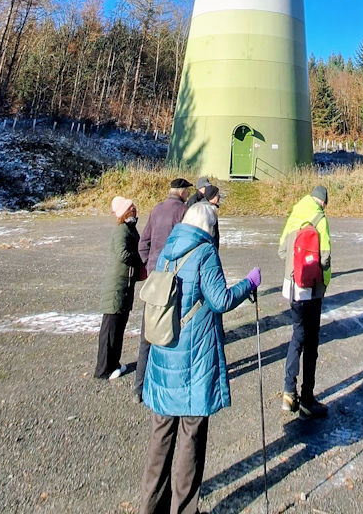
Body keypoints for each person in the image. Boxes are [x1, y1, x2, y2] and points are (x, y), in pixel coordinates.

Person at [140, 201, 260, 514]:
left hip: (164, 355)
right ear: (210, 227)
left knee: (160, 438)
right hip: (194, 361)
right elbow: (219, 300)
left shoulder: (168, 250)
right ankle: (183, 509)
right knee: (190, 440)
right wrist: (249, 283)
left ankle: (150, 507)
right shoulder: (205, 252)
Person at [133, 178, 193, 402]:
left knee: (148, 333)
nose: (188, 194)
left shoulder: (156, 209)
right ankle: (168, 387)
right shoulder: (184, 212)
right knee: (173, 333)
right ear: (182, 192)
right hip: (175, 280)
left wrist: (150, 267)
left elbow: (143, 242)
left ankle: (138, 388)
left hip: (155, 279)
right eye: (187, 191)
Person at [278, 185, 331, 418]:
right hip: (313, 290)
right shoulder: (320, 218)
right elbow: (326, 258)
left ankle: (288, 391)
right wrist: (323, 282)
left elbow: (282, 250)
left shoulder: (295, 214)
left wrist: (294, 267)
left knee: (297, 336)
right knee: (311, 344)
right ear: (323, 202)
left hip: (293, 288)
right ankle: (307, 399)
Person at [94, 196, 141, 380]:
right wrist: (140, 259)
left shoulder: (130, 228)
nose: (135, 209)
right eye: (131, 208)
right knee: (110, 328)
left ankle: (113, 364)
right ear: (125, 212)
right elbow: (123, 253)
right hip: (117, 285)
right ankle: (103, 369)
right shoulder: (121, 230)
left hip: (125, 284)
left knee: (119, 327)